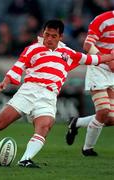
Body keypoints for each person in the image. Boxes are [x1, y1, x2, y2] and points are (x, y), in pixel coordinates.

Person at [0, 19, 114, 167]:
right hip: (29, 91)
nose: (49, 39)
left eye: (53, 36)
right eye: (47, 35)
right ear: (43, 33)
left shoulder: (68, 53)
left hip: (49, 96)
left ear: (61, 37)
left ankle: (25, 160)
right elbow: (19, 66)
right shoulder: (33, 48)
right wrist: (5, 81)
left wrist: (111, 56)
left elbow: (95, 59)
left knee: (45, 125)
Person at [65, 11, 114, 156]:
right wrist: (107, 59)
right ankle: (87, 149)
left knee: (110, 119)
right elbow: (87, 45)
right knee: (103, 111)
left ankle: (76, 123)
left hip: (112, 73)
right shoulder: (103, 19)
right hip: (98, 69)